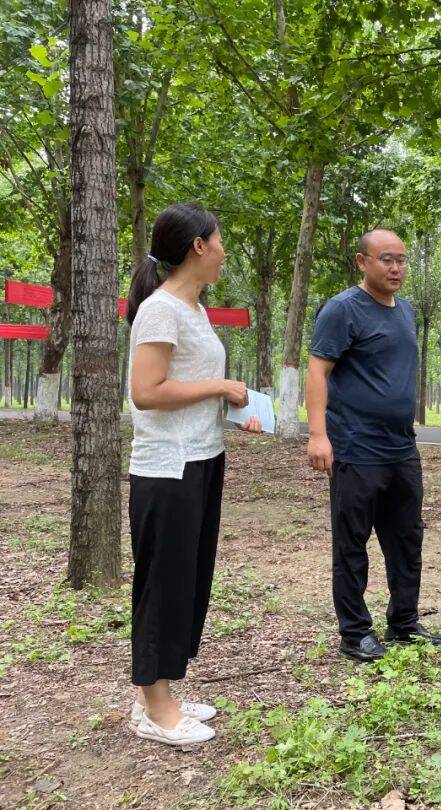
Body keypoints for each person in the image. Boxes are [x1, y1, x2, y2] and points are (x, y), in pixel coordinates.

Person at [125, 202, 262, 746]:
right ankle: (153, 708)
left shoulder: (197, 311)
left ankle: (162, 692)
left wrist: (235, 407)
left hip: (202, 458)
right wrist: (218, 388)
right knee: (163, 581)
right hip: (166, 468)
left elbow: (188, 382)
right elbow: (146, 392)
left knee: (189, 576)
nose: (225, 252)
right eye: (221, 240)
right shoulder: (160, 311)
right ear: (199, 246)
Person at [306, 228, 441, 665]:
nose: (395, 267)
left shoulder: (404, 311)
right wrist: (318, 434)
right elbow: (317, 372)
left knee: (407, 540)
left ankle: (404, 622)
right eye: (386, 259)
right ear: (362, 261)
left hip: (401, 450)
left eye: (402, 260)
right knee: (352, 543)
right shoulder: (343, 310)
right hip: (354, 448)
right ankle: (355, 633)